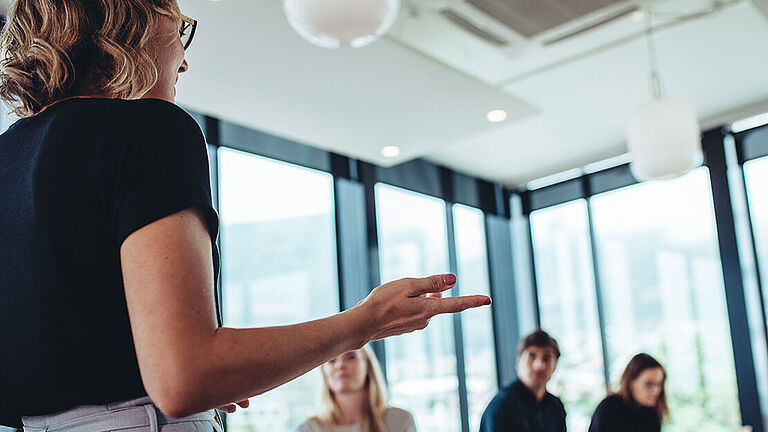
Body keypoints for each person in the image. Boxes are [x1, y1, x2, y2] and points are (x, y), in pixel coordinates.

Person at [0, 1, 492, 430]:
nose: (185, 61)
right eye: (181, 26)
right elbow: (184, 378)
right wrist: (364, 322)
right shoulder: (151, 130)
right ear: (133, 20)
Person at [296, 346, 416, 432]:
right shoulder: (308, 428)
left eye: (351, 357)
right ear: (324, 374)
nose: (340, 365)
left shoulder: (399, 420)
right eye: (331, 361)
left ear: (368, 367)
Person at [479, 329, 566, 432]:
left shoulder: (555, 406)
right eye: (532, 356)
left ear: (555, 366)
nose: (538, 365)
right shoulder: (501, 406)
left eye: (546, 359)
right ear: (518, 362)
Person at [588, 353, 667, 432]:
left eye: (659, 384)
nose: (656, 391)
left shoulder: (652, 414)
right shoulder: (609, 408)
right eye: (649, 384)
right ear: (631, 382)